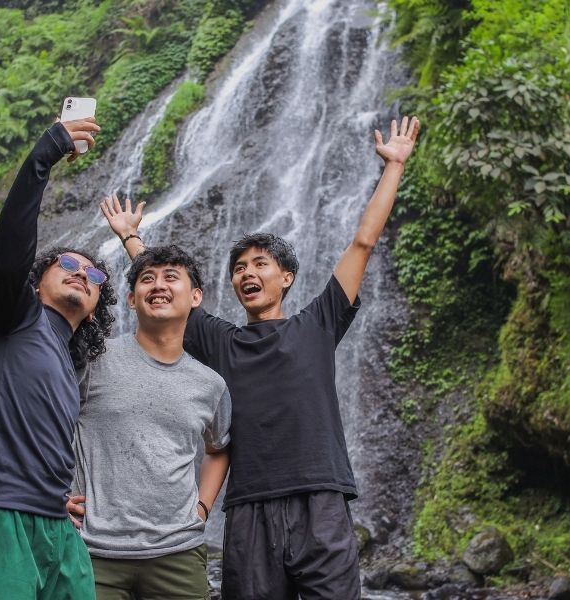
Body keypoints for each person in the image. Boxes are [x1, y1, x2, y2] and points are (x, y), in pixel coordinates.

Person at [104, 116, 421, 599]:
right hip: (249, 507)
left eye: (259, 264)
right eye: (238, 268)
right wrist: (131, 237)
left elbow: (363, 241)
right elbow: (166, 288)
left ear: (286, 278)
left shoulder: (318, 324)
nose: (247, 273)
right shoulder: (221, 341)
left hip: (320, 499)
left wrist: (394, 166)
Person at [0, 117, 117, 600]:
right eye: (67, 264)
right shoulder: (17, 317)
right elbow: (7, 257)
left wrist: (54, 497)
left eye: (94, 275)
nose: (81, 274)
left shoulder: (68, 364)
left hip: (57, 528)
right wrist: (47, 151)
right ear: (36, 283)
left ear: (96, 306)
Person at [66, 244, 231, 600]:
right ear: (131, 299)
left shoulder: (211, 385)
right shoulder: (93, 361)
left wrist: (202, 508)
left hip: (179, 553)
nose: (158, 285)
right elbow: (47, 423)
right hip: (94, 551)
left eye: (171, 277)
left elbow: (218, 449)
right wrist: (53, 495)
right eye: (147, 279)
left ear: (196, 296)